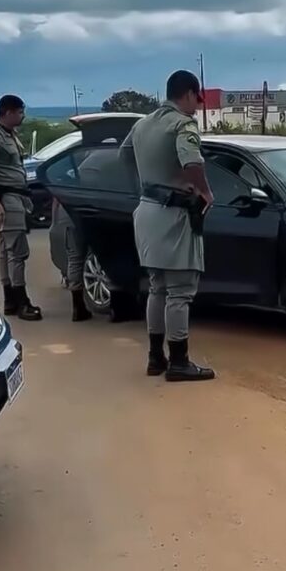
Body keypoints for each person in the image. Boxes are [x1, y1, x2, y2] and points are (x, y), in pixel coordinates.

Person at [120, 70, 215, 382]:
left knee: (157, 288)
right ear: (188, 93)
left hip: (146, 210)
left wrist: (145, 182)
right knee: (180, 291)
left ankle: (155, 357)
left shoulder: (141, 124)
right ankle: (179, 361)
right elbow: (192, 162)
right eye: (196, 98)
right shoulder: (182, 124)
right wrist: (204, 191)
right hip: (174, 213)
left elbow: (124, 155)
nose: (197, 106)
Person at [0, 95, 43, 321]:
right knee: (17, 251)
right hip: (5, 198)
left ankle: (10, 300)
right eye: (20, 112)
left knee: (6, 250)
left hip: (13, 196)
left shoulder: (9, 134)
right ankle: (22, 301)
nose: (23, 116)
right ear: (9, 112)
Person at [51, 199, 91, 322]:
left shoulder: (63, 180)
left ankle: (77, 306)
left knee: (74, 258)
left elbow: (56, 199)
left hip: (67, 214)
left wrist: (55, 221)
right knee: (102, 254)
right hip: (89, 211)